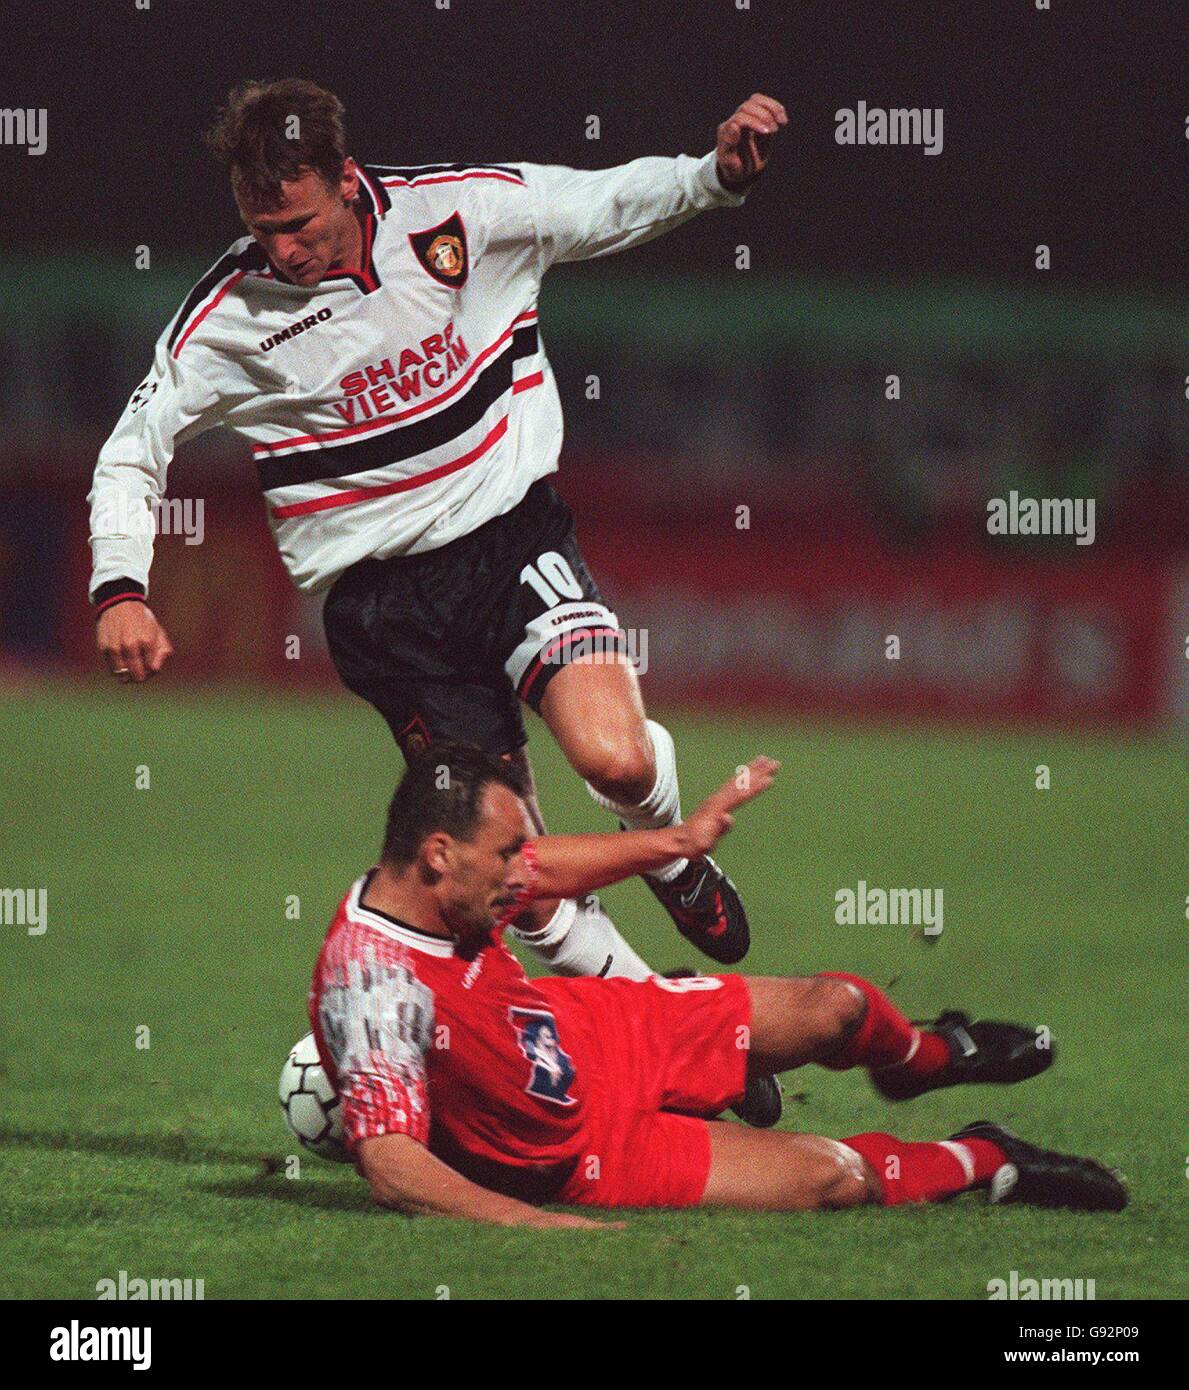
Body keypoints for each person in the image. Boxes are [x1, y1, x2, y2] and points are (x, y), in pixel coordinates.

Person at [87, 81, 790, 1125]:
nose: (280, 249)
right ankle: (673, 1022)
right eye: (259, 228)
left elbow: (594, 205)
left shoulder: (459, 213)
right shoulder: (225, 319)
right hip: (385, 615)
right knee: (510, 869)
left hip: (510, 543)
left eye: (298, 223)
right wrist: (120, 585)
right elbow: (131, 453)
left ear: (345, 179)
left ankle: (670, 856)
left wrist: (710, 178)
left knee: (617, 759)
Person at [309, 743, 1127, 1226]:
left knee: (836, 1006)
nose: (524, 871)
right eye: (506, 853)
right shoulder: (370, 980)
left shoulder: (453, 880)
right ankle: (987, 1157)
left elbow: (547, 867)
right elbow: (391, 1163)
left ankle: (923, 1056)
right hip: (584, 1158)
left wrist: (678, 839)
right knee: (832, 1177)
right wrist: (537, 1227)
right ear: (440, 855)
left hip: (603, 1029)